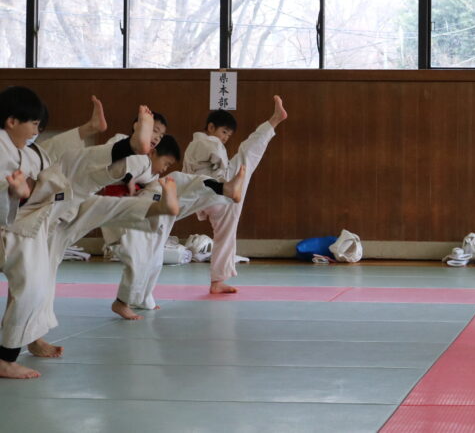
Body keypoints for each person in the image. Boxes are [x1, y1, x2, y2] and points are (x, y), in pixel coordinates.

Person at [0, 95, 178, 378]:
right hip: (25, 222)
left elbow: (51, 153)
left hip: (54, 210)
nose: (36, 131)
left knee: (83, 176)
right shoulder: (4, 150)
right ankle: (8, 356)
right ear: (11, 121)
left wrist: (87, 130)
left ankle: (31, 337)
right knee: (34, 285)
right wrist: (18, 194)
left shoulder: (25, 149)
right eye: (33, 124)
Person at [102, 134, 245, 320]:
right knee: (141, 260)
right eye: (166, 163)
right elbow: (120, 162)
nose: (164, 168)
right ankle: (121, 302)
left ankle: (223, 189)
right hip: (126, 222)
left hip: (149, 212)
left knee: (155, 259)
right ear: (153, 152)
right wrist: (129, 178)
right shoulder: (134, 157)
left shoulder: (151, 173)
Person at [182, 96, 287, 294]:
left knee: (225, 234)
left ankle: (218, 281)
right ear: (210, 127)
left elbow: (188, 173)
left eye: (228, 135)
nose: (225, 138)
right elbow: (218, 157)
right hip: (220, 189)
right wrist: (226, 176)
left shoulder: (192, 147)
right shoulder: (208, 141)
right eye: (223, 132)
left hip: (204, 197)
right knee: (246, 154)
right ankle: (274, 120)